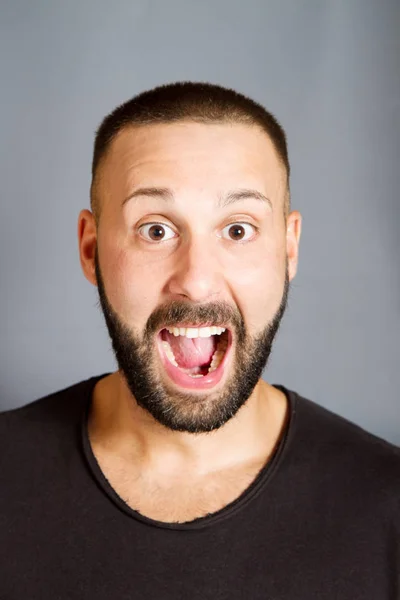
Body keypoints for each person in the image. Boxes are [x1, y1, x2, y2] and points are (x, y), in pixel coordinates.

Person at [0, 82, 398, 600]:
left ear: (289, 248)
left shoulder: (387, 506)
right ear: (90, 248)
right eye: (156, 230)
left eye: (237, 230)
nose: (197, 279)